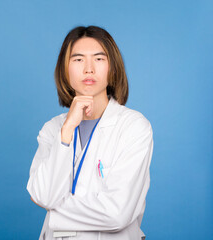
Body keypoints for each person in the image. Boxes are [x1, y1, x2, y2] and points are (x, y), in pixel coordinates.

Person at [26, 26, 153, 240]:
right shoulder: (53, 129)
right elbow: (42, 194)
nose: (89, 69)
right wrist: (67, 130)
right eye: (78, 60)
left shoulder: (134, 127)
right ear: (65, 69)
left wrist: (53, 211)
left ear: (112, 68)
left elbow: (116, 213)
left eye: (99, 59)